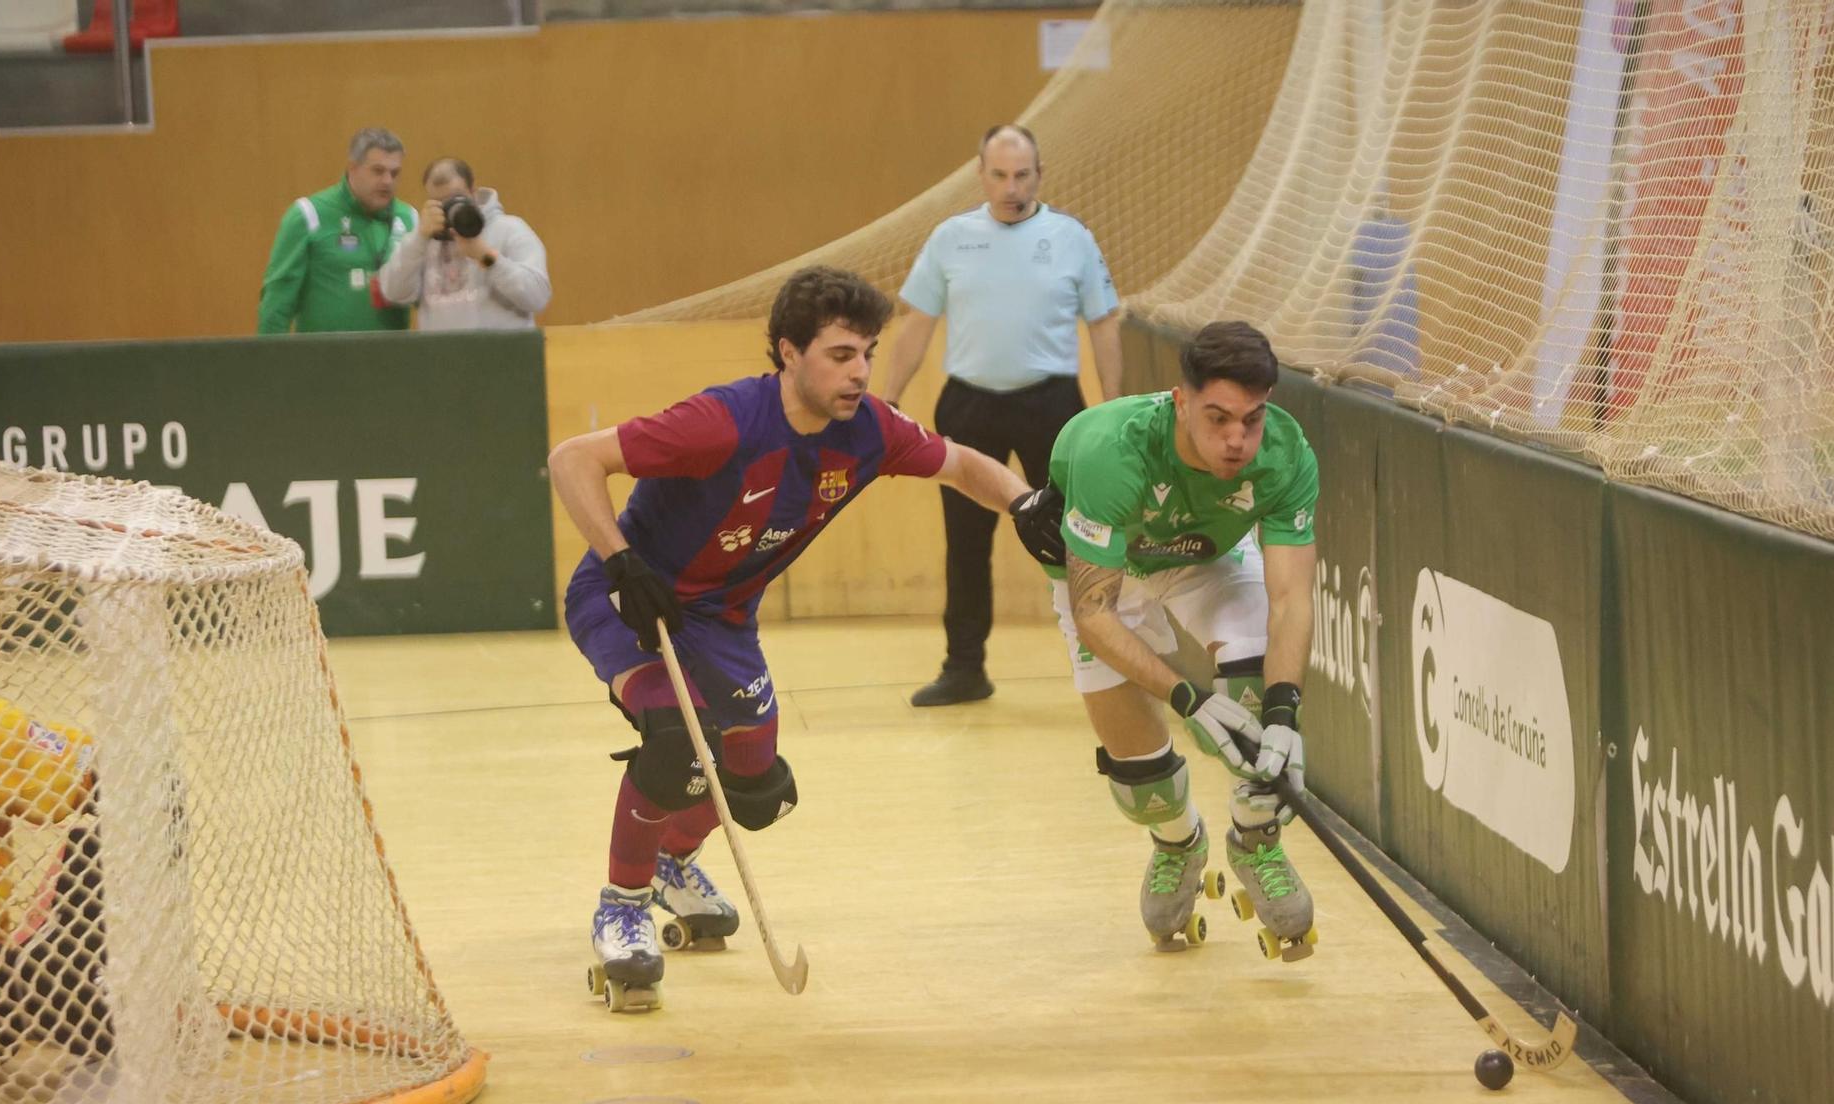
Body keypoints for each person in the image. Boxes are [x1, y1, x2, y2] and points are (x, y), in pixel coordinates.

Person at [548, 265, 1039, 1013]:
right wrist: (621, 562)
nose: (861, 371)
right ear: (788, 352)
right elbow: (572, 458)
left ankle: (675, 862)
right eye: (841, 354)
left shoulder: (870, 430)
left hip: (720, 621)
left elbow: (963, 464)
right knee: (676, 740)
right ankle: (622, 903)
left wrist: (1026, 502)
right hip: (628, 600)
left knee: (754, 781)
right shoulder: (724, 421)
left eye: (867, 352)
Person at [1025, 321, 1321, 962]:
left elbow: (1292, 599)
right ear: (1180, 401)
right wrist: (1189, 699)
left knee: (1256, 686)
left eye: (1252, 417)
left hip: (1206, 562)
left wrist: (1284, 710)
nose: (1237, 439)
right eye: (1217, 418)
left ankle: (1256, 837)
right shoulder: (1112, 449)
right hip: (1108, 580)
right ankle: (1178, 842)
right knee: (1140, 777)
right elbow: (1093, 610)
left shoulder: (1287, 454)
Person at [881, 124, 1123, 708]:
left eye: (1022, 175)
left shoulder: (1072, 238)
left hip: (1053, 406)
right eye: (999, 175)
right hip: (970, 406)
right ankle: (964, 667)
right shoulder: (950, 239)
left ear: (1039, 175)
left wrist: (1114, 407)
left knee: (1077, 538)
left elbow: (1105, 324)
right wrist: (885, 400)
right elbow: (916, 325)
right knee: (966, 542)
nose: (1011, 187)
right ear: (980, 175)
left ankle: (1107, 661)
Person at [257, 128, 418, 335]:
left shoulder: (410, 219)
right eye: (378, 171)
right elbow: (277, 301)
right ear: (352, 168)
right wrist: (270, 361)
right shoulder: (309, 215)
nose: (388, 181)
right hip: (323, 360)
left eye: (394, 173)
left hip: (391, 360)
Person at [377, 157, 551, 330]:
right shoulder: (423, 240)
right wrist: (419, 239)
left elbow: (538, 297)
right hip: (441, 355)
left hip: (501, 354)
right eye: (440, 203)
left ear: (473, 191)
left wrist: (487, 257)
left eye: (456, 198)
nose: (450, 208)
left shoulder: (509, 229)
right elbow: (394, 293)